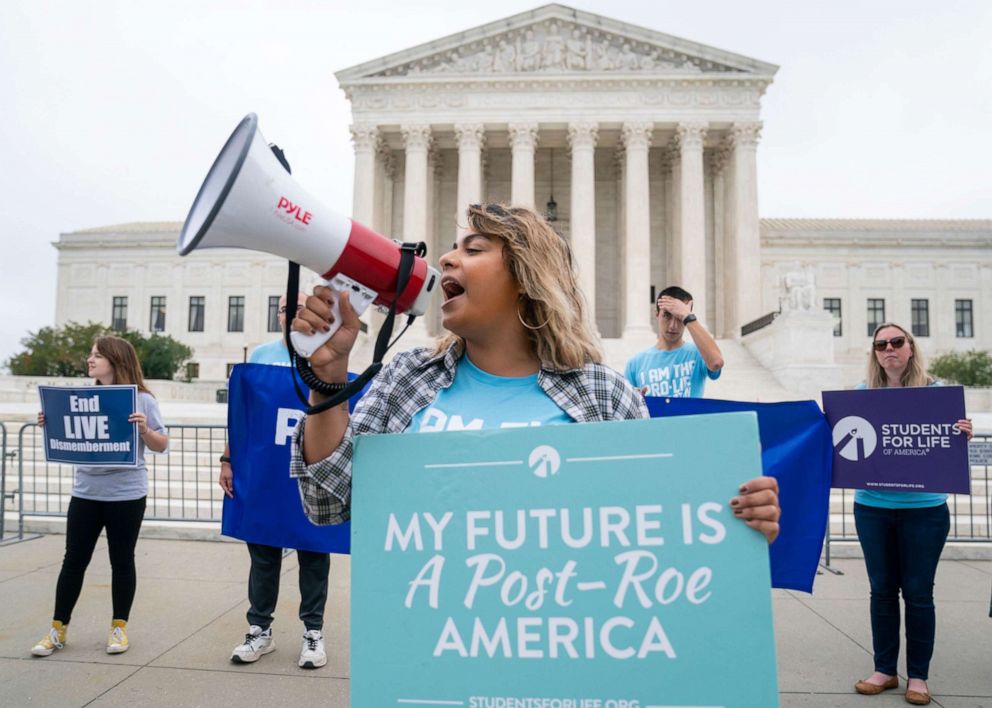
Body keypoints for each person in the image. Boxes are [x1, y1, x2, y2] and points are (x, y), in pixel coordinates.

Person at [288, 203, 779, 546]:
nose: (444, 259)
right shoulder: (407, 375)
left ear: (526, 277)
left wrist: (737, 519)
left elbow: (657, 523)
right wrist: (327, 377)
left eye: (474, 249)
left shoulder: (604, 395)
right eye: (453, 248)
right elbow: (326, 502)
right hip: (430, 654)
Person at [853, 323, 973, 705]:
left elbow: (948, 441)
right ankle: (885, 669)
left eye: (896, 342)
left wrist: (963, 432)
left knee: (919, 594)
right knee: (882, 591)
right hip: (872, 507)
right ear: (875, 352)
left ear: (910, 348)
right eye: (881, 344)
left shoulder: (937, 395)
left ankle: (918, 676)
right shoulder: (861, 395)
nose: (889, 349)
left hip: (925, 510)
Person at [31, 336, 168, 657]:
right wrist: (50, 423)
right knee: (73, 561)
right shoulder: (81, 396)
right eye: (90, 355)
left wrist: (145, 430)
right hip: (86, 493)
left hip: (127, 494)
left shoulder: (143, 400)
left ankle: (119, 628)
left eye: (97, 355)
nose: (90, 360)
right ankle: (57, 628)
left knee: (121, 562)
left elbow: (162, 444)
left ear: (116, 360)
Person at [219, 292, 332, 669]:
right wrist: (227, 460)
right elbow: (242, 415)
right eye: (288, 309)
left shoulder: (328, 355)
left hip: (311, 470)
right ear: (279, 315)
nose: (294, 315)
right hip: (267, 469)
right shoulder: (262, 357)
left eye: (301, 308)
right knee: (263, 554)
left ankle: (313, 633)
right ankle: (259, 630)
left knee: (314, 552)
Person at [625, 286, 724, 398]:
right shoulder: (635, 364)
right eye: (667, 316)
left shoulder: (698, 354)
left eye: (679, 318)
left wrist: (687, 316)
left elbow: (716, 362)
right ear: (657, 314)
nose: (673, 326)